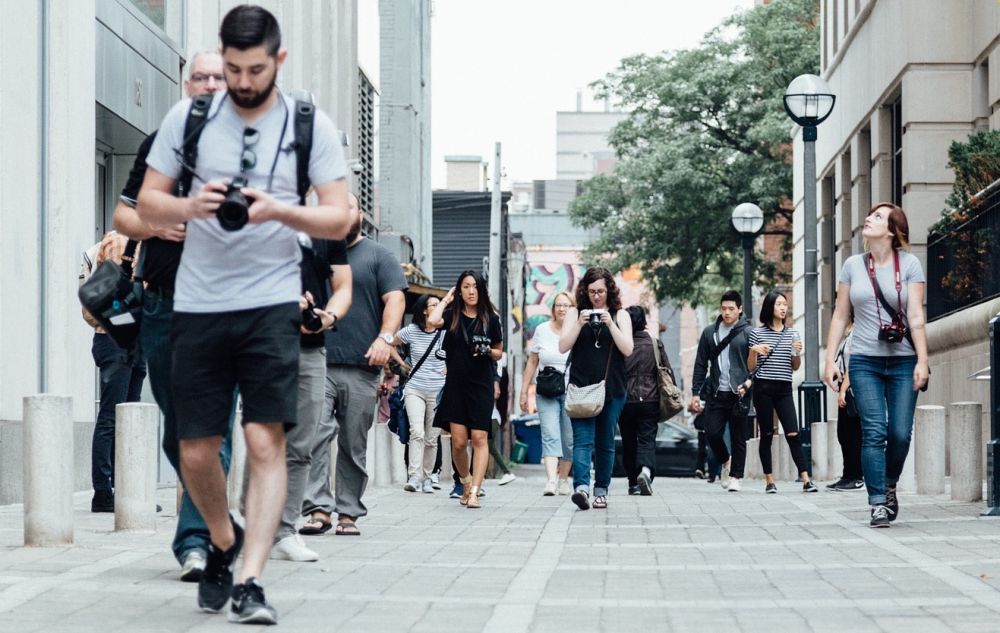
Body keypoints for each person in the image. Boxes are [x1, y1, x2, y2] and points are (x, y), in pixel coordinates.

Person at [137, 5, 352, 623]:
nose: (242, 82)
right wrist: (189, 206)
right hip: (199, 303)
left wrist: (280, 211)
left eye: (254, 69)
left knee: (264, 440)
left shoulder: (309, 124)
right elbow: (147, 199)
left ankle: (251, 579)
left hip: (270, 302)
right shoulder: (192, 117)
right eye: (232, 69)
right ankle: (224, 542)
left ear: (277, 61)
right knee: (196, 449)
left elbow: (340, 216)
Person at [112, 49, 226, 582]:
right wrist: (154, 227)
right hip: (161, 300)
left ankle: (197, 540)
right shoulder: (160, 144)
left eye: (217, 78)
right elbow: (122, 215)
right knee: (178, 430)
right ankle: (212, 514)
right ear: (187, 85)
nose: (207, 85)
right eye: (199, 77)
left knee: (213, 427)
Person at [300, 192, 407, 537]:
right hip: (317, 360)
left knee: (352, 443)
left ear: (359, 214)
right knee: (314, 435)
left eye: (346, 208)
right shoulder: (313, 254)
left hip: (363, 365)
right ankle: (318, 508)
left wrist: (385, 339)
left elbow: (396, 299)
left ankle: (348, 512)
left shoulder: (379, 256)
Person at [824, 203, 928, 528]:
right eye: (869, 214)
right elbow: (841, 314)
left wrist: (923, 360)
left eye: (878, 216)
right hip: (864, 360)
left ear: (894, 230)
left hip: (903, 360)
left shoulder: (910, 264)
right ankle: (877, 503)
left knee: (899, 434)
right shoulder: (853, 265)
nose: (868, 218)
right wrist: (829, 359)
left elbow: (915, 316)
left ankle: (889, 483)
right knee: (874, 432)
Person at [270, 234, 351, 562]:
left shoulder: (326, 228)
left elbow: (343, 286)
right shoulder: (257, 215)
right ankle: (255, 526)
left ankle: (285, 532)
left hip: (311, 349)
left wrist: (326, 316)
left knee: (302, 445)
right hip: (262, 342)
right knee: (265, 440)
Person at [81, 231, 147, 514]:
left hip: (133, 340)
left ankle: (126, 491)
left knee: (129, 419)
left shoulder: (147, 243)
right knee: (111, 416)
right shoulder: (122, 241)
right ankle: (103, 493)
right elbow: (114, 295)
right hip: (115, 339)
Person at [559, 267, 633, 511]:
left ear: (609, 290)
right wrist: (578, 325)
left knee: (605, 442)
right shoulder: (574, 313)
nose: (597, 297)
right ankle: (581, 488)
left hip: (612, 389)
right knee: (582, 441)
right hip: (581, 387)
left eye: (601, 291)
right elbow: (562, 347)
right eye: (592, 292)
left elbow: (628, 349)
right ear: (584, 291)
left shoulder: (620, 315)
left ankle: (601, 490)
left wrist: (611, 324)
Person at [427, 270, 503, 508]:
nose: (472, 291)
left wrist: (488, 351)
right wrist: (447, 300)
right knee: (459, 443)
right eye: (467, 287)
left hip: (481, 385)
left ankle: (475, 492)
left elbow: (499, 351)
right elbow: (431, 322)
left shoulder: (491, 318)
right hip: (456, 386)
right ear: (459, 290)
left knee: (479, 437)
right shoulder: (451, 316)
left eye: (476, 287)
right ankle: (466, 482)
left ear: (482, 291)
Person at [747, 291, 818, 494]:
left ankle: (806, 479)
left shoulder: (792, 333)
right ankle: (769, 480)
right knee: (767, 434)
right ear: (770, 307)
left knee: (793, 433)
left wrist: (797, 352)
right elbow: (751, 367)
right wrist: (754, 351)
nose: (783, 308)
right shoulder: (757, 334)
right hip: (763, 388)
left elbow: (795, 366)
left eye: (785, 304)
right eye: (779, 304)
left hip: (784, 388)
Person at [689, 290, 750, 493]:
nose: (727, 312)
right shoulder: (709, 333)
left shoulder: (748, 332)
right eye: (723, 308)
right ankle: (726, 460)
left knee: (738, 436)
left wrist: (748, 383)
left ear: (740, 309)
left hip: (739, 392)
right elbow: (700, 364)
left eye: (731, 309)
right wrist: (696, 392)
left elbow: (756, 365)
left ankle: (736, 476)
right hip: (716, 392)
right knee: (712, 432)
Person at [519, 291, 574, 495]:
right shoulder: (542, 330)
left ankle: (564, 479)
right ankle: (551, 481)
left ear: (572, 309)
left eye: (566, 306)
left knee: (569, 439)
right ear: (553, 309)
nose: (562, 309)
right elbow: (532, 361)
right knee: (550, 434)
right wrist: (524, 391)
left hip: (571, 391)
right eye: (558, 305)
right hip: (547, 390)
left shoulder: (577, 331)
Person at [393, 295, 447, 493]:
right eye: (434, 305)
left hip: (438, 391)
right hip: (415, 388)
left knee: (432, 438)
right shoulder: (412, 331)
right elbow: (390, 341)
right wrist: (401, 363)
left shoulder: (445, 333)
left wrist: (451, 367)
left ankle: (427, 477)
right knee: (417, 432)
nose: (438, 307)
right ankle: (414, 476)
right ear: (425, 310)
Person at [620, 306, 673, 496]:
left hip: (625, 401)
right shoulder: (655, 344)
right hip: (650, 400)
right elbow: (666, 370)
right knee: (647, 439)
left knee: (629, 442)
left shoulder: (621, 344)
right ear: (643, 322)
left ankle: (633, 483)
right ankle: (646, 471)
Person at [827, 320, 864, 491]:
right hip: (847, 387)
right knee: (844, 434)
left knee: (853, 435)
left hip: (855, 388)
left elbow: (855, 361)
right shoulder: (851, 329)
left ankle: (857, 476)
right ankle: (847, 475)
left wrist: (844, 388)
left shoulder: (862, 328)